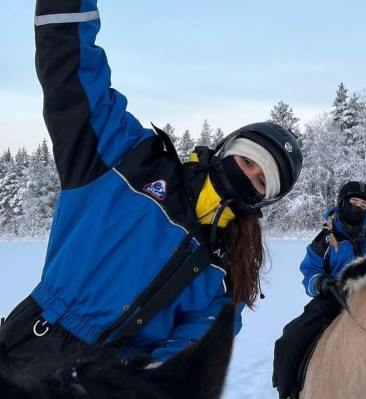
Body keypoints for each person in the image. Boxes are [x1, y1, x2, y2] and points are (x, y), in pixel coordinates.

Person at [0, 0, 303, 375]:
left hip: (104, 384)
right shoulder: (131, 159)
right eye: (248, 160)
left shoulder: (228, 271)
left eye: (262, 182)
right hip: (30, 346)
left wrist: (134, 379)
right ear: (226, 148)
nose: (248, 176)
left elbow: (189, 356)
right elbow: (73, 74)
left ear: (264, 201)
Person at [272, 181, 366, 399]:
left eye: (363, 203)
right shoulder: (325, 238)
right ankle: (288, 390)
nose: (358, 206)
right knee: (291, 338)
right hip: (335, 297)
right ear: (342, 203)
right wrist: (321, 283)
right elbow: (310, 270)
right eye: (354, 201)